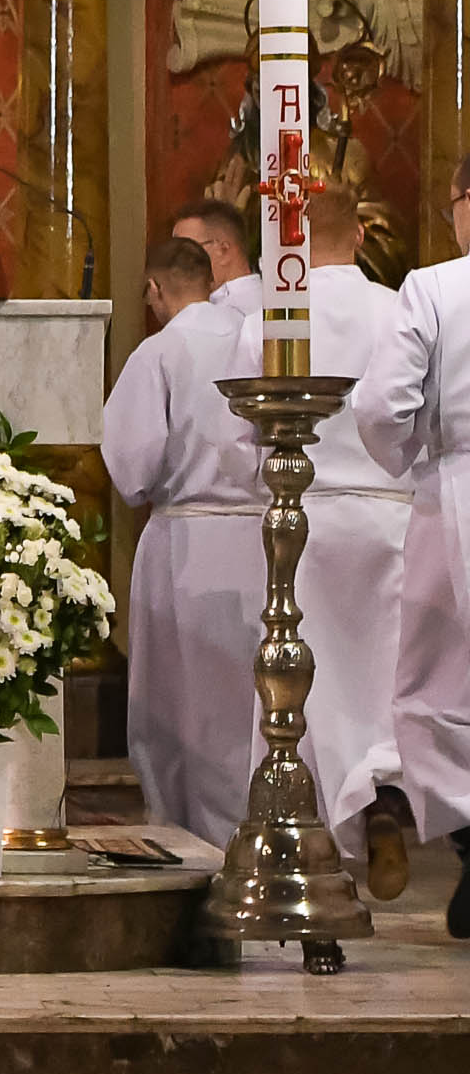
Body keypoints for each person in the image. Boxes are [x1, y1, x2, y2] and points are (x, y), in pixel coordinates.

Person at [226, 187, 415, 896]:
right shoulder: (399, 309)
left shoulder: (271, 319)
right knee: (389, 675)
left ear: (291, 246)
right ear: (361, 237)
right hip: (392, 513)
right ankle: (386, 794)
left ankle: (321, 838)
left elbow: (241, 438)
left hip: (306, 515)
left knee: (310, 680)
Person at [102, 237, 261, 846]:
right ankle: (261, 830)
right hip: (264, 537)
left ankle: (191, 839)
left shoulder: (159, 351)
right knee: (251, 697)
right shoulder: (258, 338)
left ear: (155, 289)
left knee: (179, 703)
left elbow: (133, 468)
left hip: (186, 539)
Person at [353, 154, 470, 938]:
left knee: (442, 686)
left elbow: (380, 405)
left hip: (458, 491)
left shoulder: (434, 287)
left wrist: (411, 455)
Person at [172, 197, 262, 316]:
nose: (175, 264)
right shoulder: (268, 298)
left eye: (186, 251)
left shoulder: (234, 312)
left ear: (223, 250)